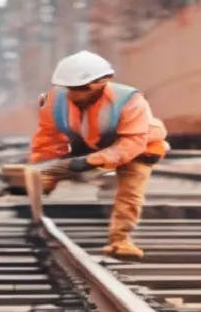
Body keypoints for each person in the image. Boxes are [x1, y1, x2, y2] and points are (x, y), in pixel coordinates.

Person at [30, 50, 169, 260]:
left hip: (139, 148)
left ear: (102, 81)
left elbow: (132, 143)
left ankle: (120, 241)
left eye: (83, 89)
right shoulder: (53, 101)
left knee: (130, 192)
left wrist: (90, 162)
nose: (76, 94)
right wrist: (44, 167)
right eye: (72, 89)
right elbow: (49, 137)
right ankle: (34, 215)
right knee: (41, 177)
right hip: (91, 145)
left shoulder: (130, 100)